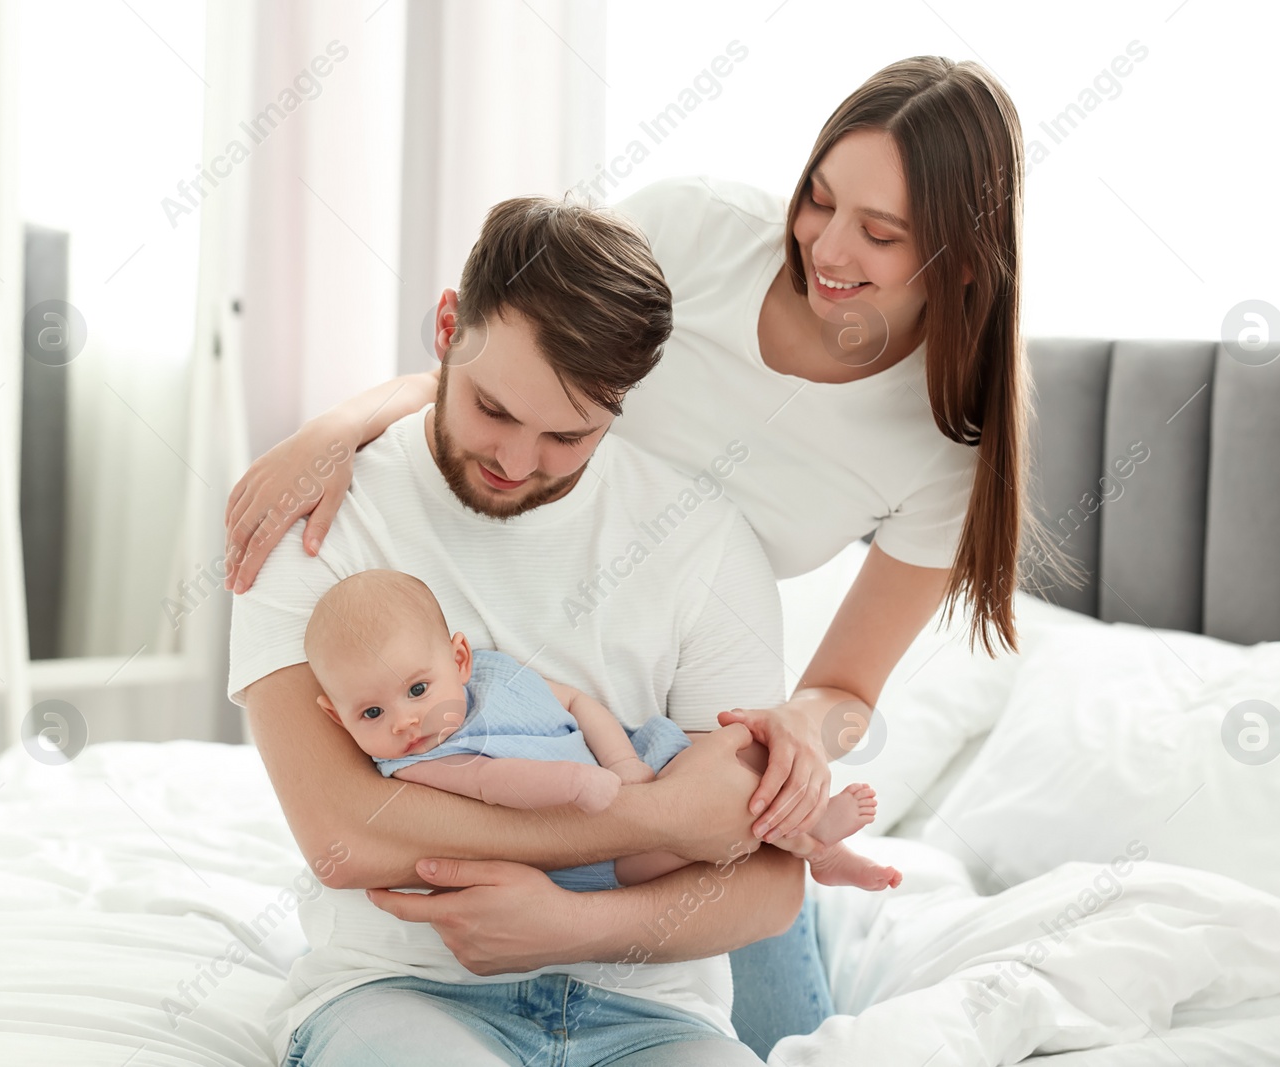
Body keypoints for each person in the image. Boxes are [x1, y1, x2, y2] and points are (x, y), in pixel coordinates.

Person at [226, 55, 1034, 1058]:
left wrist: (790, 750)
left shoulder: (939, 454)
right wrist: (340, 426)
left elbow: (841, 690)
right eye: (818, 198)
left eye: (879, 233)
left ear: (958, 262)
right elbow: (526, 318)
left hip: (691, 689)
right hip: (615, 762)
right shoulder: (694, 231)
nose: (825, 246)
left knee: (793, 1018)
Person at [233, 192, 814, 1066]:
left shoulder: (704, 542)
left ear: (620, 404)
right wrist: (661, 817)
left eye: (566, 435)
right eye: (492, 409)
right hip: (398, 993)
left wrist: (573, 923)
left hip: (654, 1013)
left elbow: (766, 885)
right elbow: (344, 836)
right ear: (445, 328)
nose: (514, 461)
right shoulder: (316, 514)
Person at [306, 568, 903, 893]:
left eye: (416, 690)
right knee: (677, 847)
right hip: (579, 852)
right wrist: (576, 786)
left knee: (738, 750)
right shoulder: (412, 762)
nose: (405, 722)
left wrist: (621, 763)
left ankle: (819, 848)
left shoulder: (491, 673)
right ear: (337, 716)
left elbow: (578, 702)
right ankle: (813, 841)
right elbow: (492, 782)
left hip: (632, 766)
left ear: (459, 659)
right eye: (371, 715)